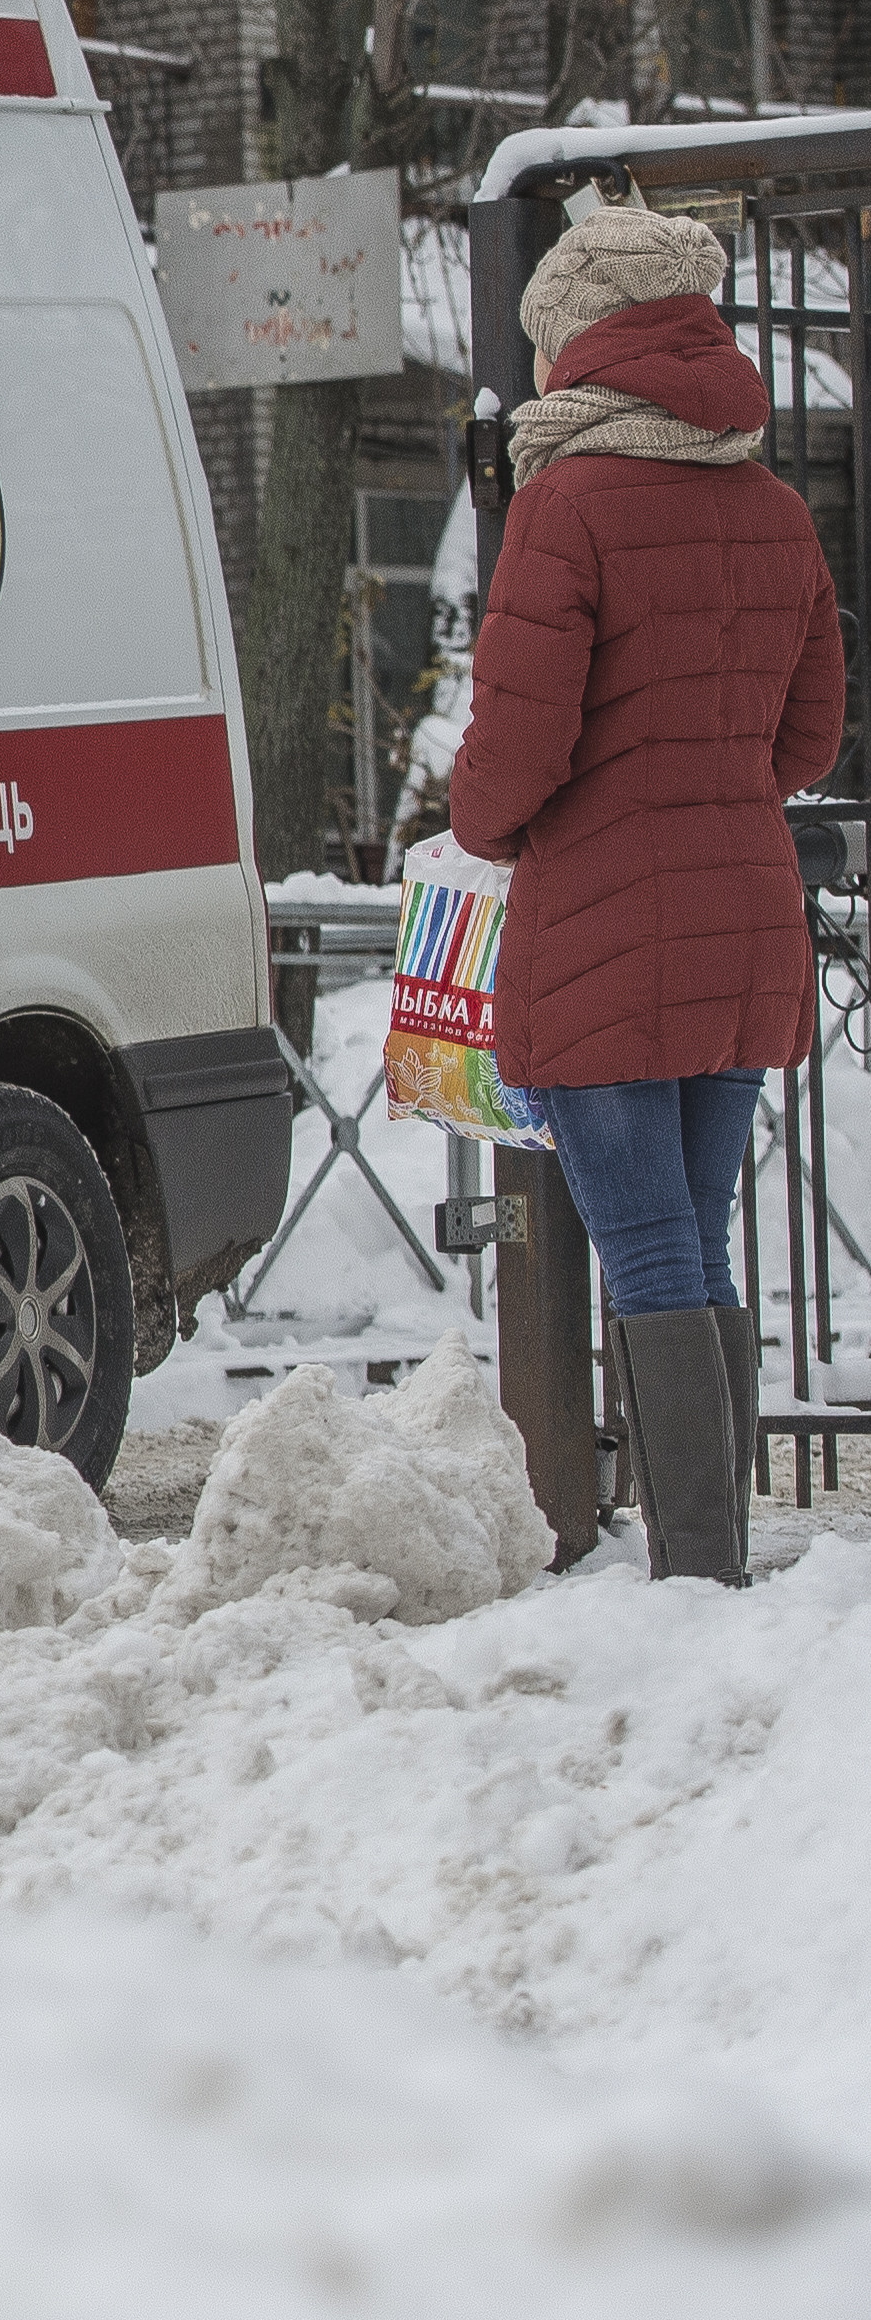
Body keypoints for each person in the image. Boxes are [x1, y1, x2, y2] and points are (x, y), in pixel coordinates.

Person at [450, 205, 849, 1585]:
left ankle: (694, 1567)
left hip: (601, 932)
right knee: (693, 1236)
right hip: (739, 928)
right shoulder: (772, 504)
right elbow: (806, 741)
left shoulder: (562, 503)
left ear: (580, 337)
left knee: (644, 1248)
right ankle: (709, 1542)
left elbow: (514, 747)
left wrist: (474, 821)